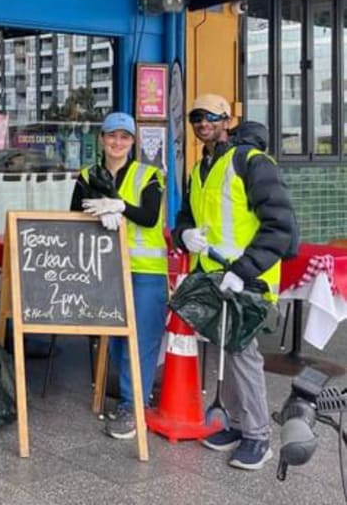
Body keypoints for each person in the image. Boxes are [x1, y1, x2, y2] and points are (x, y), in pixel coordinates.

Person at [173, 94, 295, 470]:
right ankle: (238, 425)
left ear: (228, 120)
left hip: (247, 279)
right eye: (196, 116)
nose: (203, 122)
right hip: (213, 276)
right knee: (227, 347)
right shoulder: (198, 169)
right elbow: (185, 219)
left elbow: (280, 226)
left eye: (211, 116)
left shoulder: (251, 162)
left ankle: (259, 438)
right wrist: (183, 236)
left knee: (243, 353)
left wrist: (242, 272)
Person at [69, 112, 167, 440]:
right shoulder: (87, 175)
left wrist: (119, 206)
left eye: (125, 137)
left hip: (145, 272)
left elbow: (150, 218)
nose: (117, 142)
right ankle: (128, 396)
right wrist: (98, 213)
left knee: (141, 340)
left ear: (133, 142)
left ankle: (133, 405)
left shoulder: (150, 175)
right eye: (112, 135)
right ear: (101, 139)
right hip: (105, 269)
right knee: (116, 339)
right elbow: (74, 217)